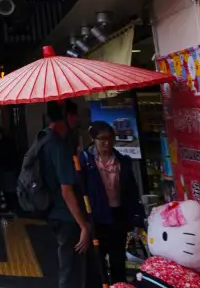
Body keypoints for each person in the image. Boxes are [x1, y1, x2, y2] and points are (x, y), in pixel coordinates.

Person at [81, 120, 144, 285]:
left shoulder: (122, 161)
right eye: (102, 138)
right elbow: (79, 190)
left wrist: (135, 215)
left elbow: (131, 190)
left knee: (118, 261)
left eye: (110, 138)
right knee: (96, 264)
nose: (106, 142)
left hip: (118, 217)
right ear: (93, 139)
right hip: (96, 218)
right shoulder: (85, 162)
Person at [40, 100, 91, 288]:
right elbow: (66, 190)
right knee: (71, 270)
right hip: (67, 216)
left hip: (53, 212)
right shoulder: (59, 145)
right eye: (74, 115)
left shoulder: (43, 138)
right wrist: (83, 225)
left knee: (69, 266)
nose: (77, 119)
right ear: (66, 116)